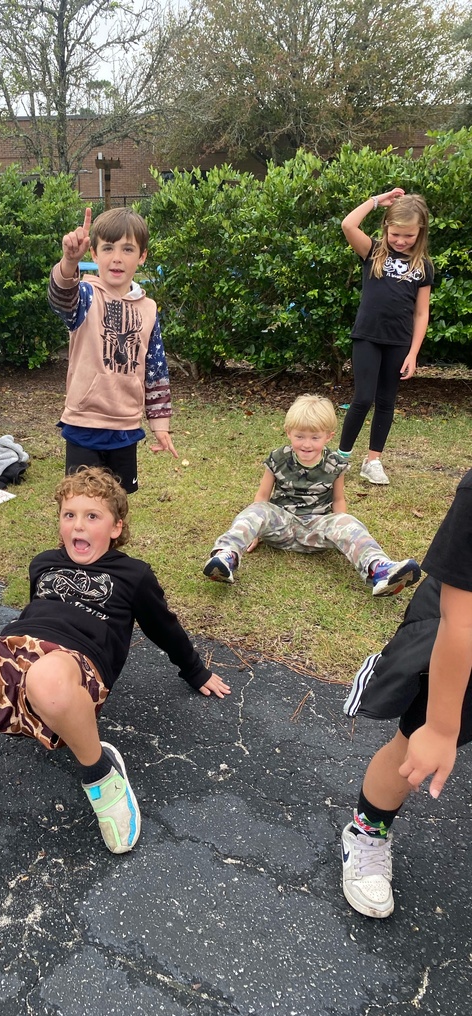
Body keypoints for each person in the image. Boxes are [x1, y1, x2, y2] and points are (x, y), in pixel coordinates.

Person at [0, 466, 230, 854]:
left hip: (74, 665)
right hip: (16, 651)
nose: (79, 526)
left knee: (48, 680)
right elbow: (36, 611)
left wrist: (195, 670)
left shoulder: (133, 574)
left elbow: (164, 627)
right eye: (69, 515)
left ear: (116, 528)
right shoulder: (43, 563)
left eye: (92, 516)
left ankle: (101, 773)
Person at [340, 468, 472, 918]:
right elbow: (461, 621)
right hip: (460, 639)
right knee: (411, 749)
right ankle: (367, 834)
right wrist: (439, 725)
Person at [202, 394, 421, 596]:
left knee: (349, 523)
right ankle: (225, 556)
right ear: (288, 433)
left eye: (315, 437)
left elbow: (338, 501)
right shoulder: (277, 458)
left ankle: (379, 569)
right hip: (281, 527)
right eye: (299, 436)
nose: (307, 444)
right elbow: (262, 497)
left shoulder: (336, 464)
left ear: (328, 436)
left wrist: (340, 530)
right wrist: (256, 532)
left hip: (317, 530)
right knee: (255, 511)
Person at [48, 207, 178, 494]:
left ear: (142, 256)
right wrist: (69, 262)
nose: (117, 257)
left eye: (128, 249)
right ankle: (72, 541)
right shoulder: (84, 295)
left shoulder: (149, 310)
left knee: (116, 503)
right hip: (84, 423)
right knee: (81, 501)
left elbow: (155, 369)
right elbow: (60, 297)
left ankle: (110, 541)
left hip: (125, 427)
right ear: (94, 254)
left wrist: (160, 425)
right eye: (108, 248)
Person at [338, 188, 434, 486]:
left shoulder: (424, 267)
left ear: (421, 233)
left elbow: (421, 313)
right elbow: (347, 225)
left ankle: (373, 460)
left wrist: (414, 352)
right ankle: (340, 459)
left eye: (409, 235)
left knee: (386, 401)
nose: (401, 240)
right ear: (386, 228)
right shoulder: (374, 251)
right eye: (396, 234)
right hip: (368, 336)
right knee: (363, 398)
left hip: (399, 342)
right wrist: (377, 201)